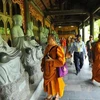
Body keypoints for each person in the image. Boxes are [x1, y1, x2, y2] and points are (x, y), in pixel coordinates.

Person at [41, 34, 66, 100]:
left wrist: (52, 60)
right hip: (47, 69)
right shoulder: (47, 47)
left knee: (56, 83)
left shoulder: (58, 48)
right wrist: (42, 65)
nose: (47, 40)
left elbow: (62, 61)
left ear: (53, 39)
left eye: (49, 39)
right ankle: (50, 95)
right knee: (49, 84)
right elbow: (44, 57)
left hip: (54, 70)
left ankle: (57, 95)